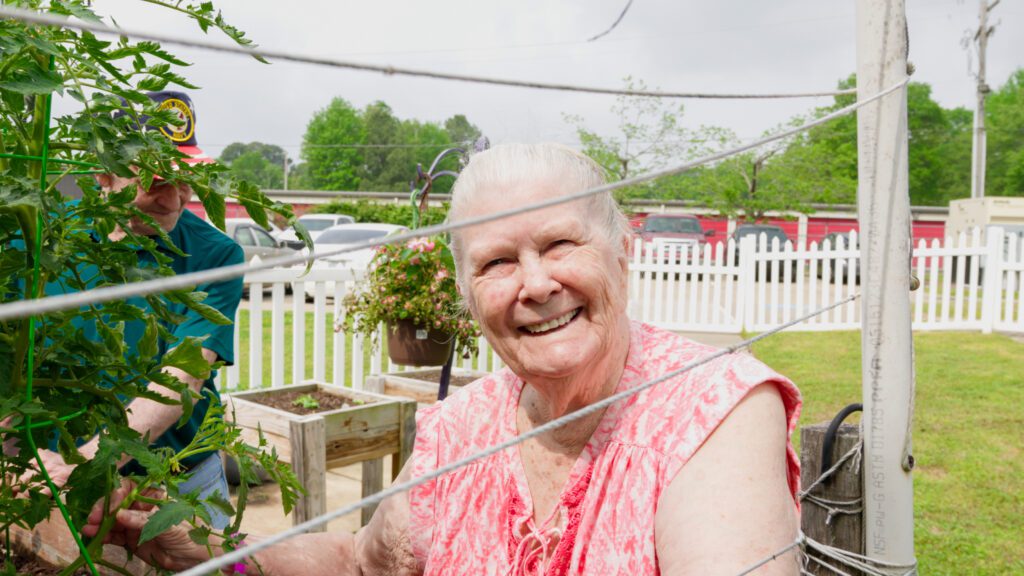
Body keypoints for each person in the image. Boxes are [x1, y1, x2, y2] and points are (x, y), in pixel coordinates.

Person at [85, 143, 800, 574]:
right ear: (466, 294)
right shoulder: (458, 429)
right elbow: (365, 565)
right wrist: (206, 548)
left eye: (559, 245)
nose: (536, 283)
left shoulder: (713, 409)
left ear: (623, 251)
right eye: (496, 262)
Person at [30, 91, 243, 530]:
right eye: (155, 178)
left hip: (181, 482)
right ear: (106, 173)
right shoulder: (43, 239)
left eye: (185, 178)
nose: (175, 197)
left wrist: (89, 465)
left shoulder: (215, 255)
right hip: (51, 473)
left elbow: (183, 374)